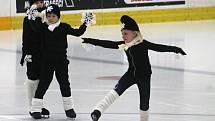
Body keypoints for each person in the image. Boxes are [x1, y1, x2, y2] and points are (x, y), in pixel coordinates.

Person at [82, 15, 186, 121]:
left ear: (134, 33)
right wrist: (90, 40)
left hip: (144, 77)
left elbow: (159, 47)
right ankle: (97, 111)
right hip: (130, 74)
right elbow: (107, 43)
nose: (123, 36)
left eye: (125, 33)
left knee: (144, 104)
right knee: (116, 91)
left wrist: (176, 49)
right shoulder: (124, 44)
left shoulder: (143, 44)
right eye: (122, 34)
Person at [28, 4, 95, 119]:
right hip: (47, 62)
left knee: (64, 84)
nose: (51, 18)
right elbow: (34, 28)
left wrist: (85, 23)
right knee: (43, 84)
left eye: (53, 16)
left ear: (58, 16)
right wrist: (31, 18)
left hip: (61, 62)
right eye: (48, 16)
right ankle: (35, 109)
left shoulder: (64, 27)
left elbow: (77, 32)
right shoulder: (43, 27)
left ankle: (69, 108)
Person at [20, 0, 49, 118]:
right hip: (33, 53)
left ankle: (38, 105)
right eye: (37, 2)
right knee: (32, 79)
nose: (39, 4)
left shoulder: (48, 16)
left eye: (41, 2)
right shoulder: (27, 19)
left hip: (45, 54)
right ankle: (32, 107)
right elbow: (25, 38)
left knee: (42, 80)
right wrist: (25, 53)